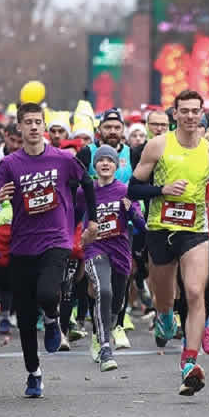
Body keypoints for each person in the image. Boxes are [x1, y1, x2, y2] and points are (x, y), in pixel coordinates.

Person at [0, 103, 97, 398]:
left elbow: (87, 183)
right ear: (19, 128)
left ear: (44, 127)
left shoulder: (62, 159)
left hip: (56, 239)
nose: (34, 127)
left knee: (48, 293)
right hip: (22, 245)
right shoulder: (10, 164)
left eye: (38, 122)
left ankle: (51, 319)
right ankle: (33, 373)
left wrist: (93, 221)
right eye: (28, 123)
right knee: (23, 317)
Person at [130, 89, 209, 396]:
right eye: (183, 110)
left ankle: (189, 362)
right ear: (175, 114)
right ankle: (163, 317)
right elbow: (133, 188)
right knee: (165, 298)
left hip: (194, 231)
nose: (189, 116)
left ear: (202, 114)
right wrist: (163, 189)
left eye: (194, 111)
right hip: (160, 229)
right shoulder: (158, 145)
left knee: (196, 292)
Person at [81, 145, 144, 371]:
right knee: (103, 290)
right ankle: (105, 347)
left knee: (115, 303)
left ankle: (102, 332)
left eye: (110, 160)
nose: (105, 164)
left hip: (120, 252)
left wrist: (133, 211)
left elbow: (141, 225)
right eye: (101, 160)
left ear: (117, 166)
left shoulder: (125, 190)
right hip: (95, 249)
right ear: (94, 166)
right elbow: (69, 213)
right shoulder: (85, 192)